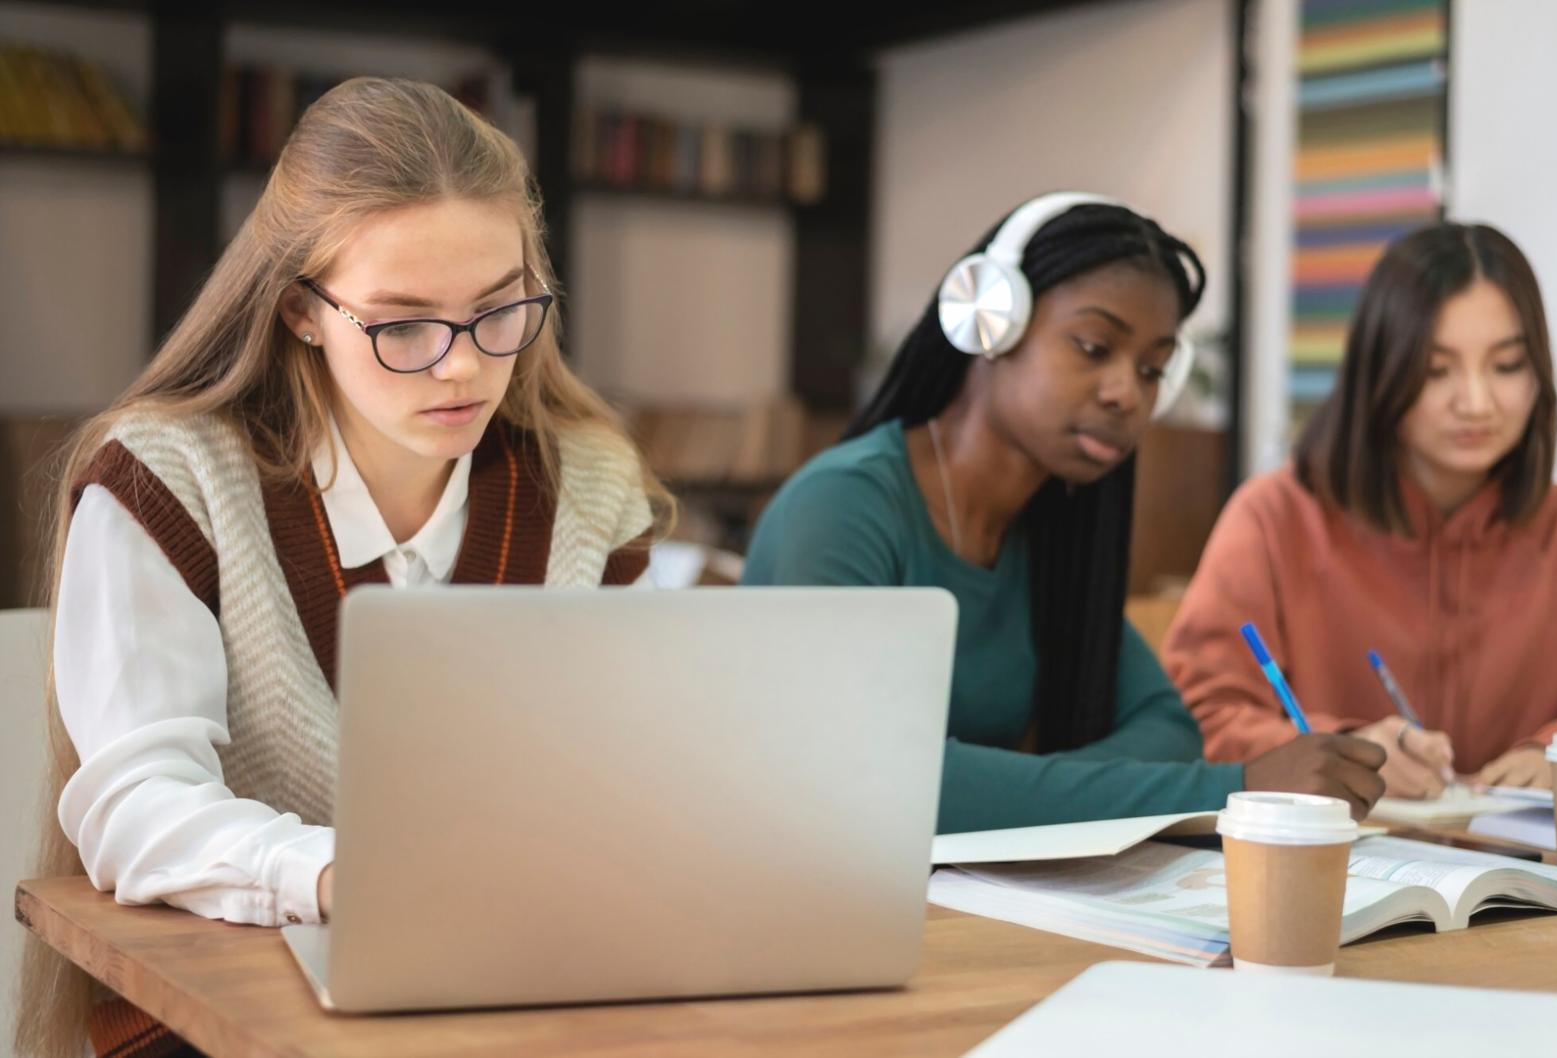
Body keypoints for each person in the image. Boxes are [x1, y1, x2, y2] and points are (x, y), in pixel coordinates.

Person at [18, 77, 668, 1058]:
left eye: (498, 310)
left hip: (516, 994)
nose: (461, 365)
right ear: (300, 312)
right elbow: (133, 806)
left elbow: (624, 780)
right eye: (402, 324)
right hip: (224, 1007)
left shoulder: (589, 485)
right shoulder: (169, 479)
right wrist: (343, 873)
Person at [742, 192, 1386, 835]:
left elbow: (1167, 727)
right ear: (991, 321)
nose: (1126, 393)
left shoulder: (1049, 534)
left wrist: (1017, 792)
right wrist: (1237, 790)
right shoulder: (842, 507)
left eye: (1152, 369)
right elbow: (870, 777)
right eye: (1092, 346)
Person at [1164, 222, 1557, 798]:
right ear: (1380, 371)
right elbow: (1197, 717)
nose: (1476, 402)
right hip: (1339, 870)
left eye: (1507, 365)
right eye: (1437, 370)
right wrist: (1342, 753)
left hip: (1524, 878)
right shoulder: (1276, 518)